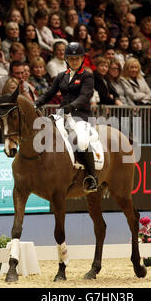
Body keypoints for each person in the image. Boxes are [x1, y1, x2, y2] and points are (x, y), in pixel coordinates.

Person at [34, 42, 98, 192]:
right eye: (71, 58)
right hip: (62, 114)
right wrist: (36, 104)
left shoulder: (87, 76)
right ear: (66, 59)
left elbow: (84, 96)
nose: (74, 61)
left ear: (82, 59)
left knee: (80, 141)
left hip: (80, 115)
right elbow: (49, 93)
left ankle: (92, 177)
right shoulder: (61, 76)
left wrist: (72, 106)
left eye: (77, 58)